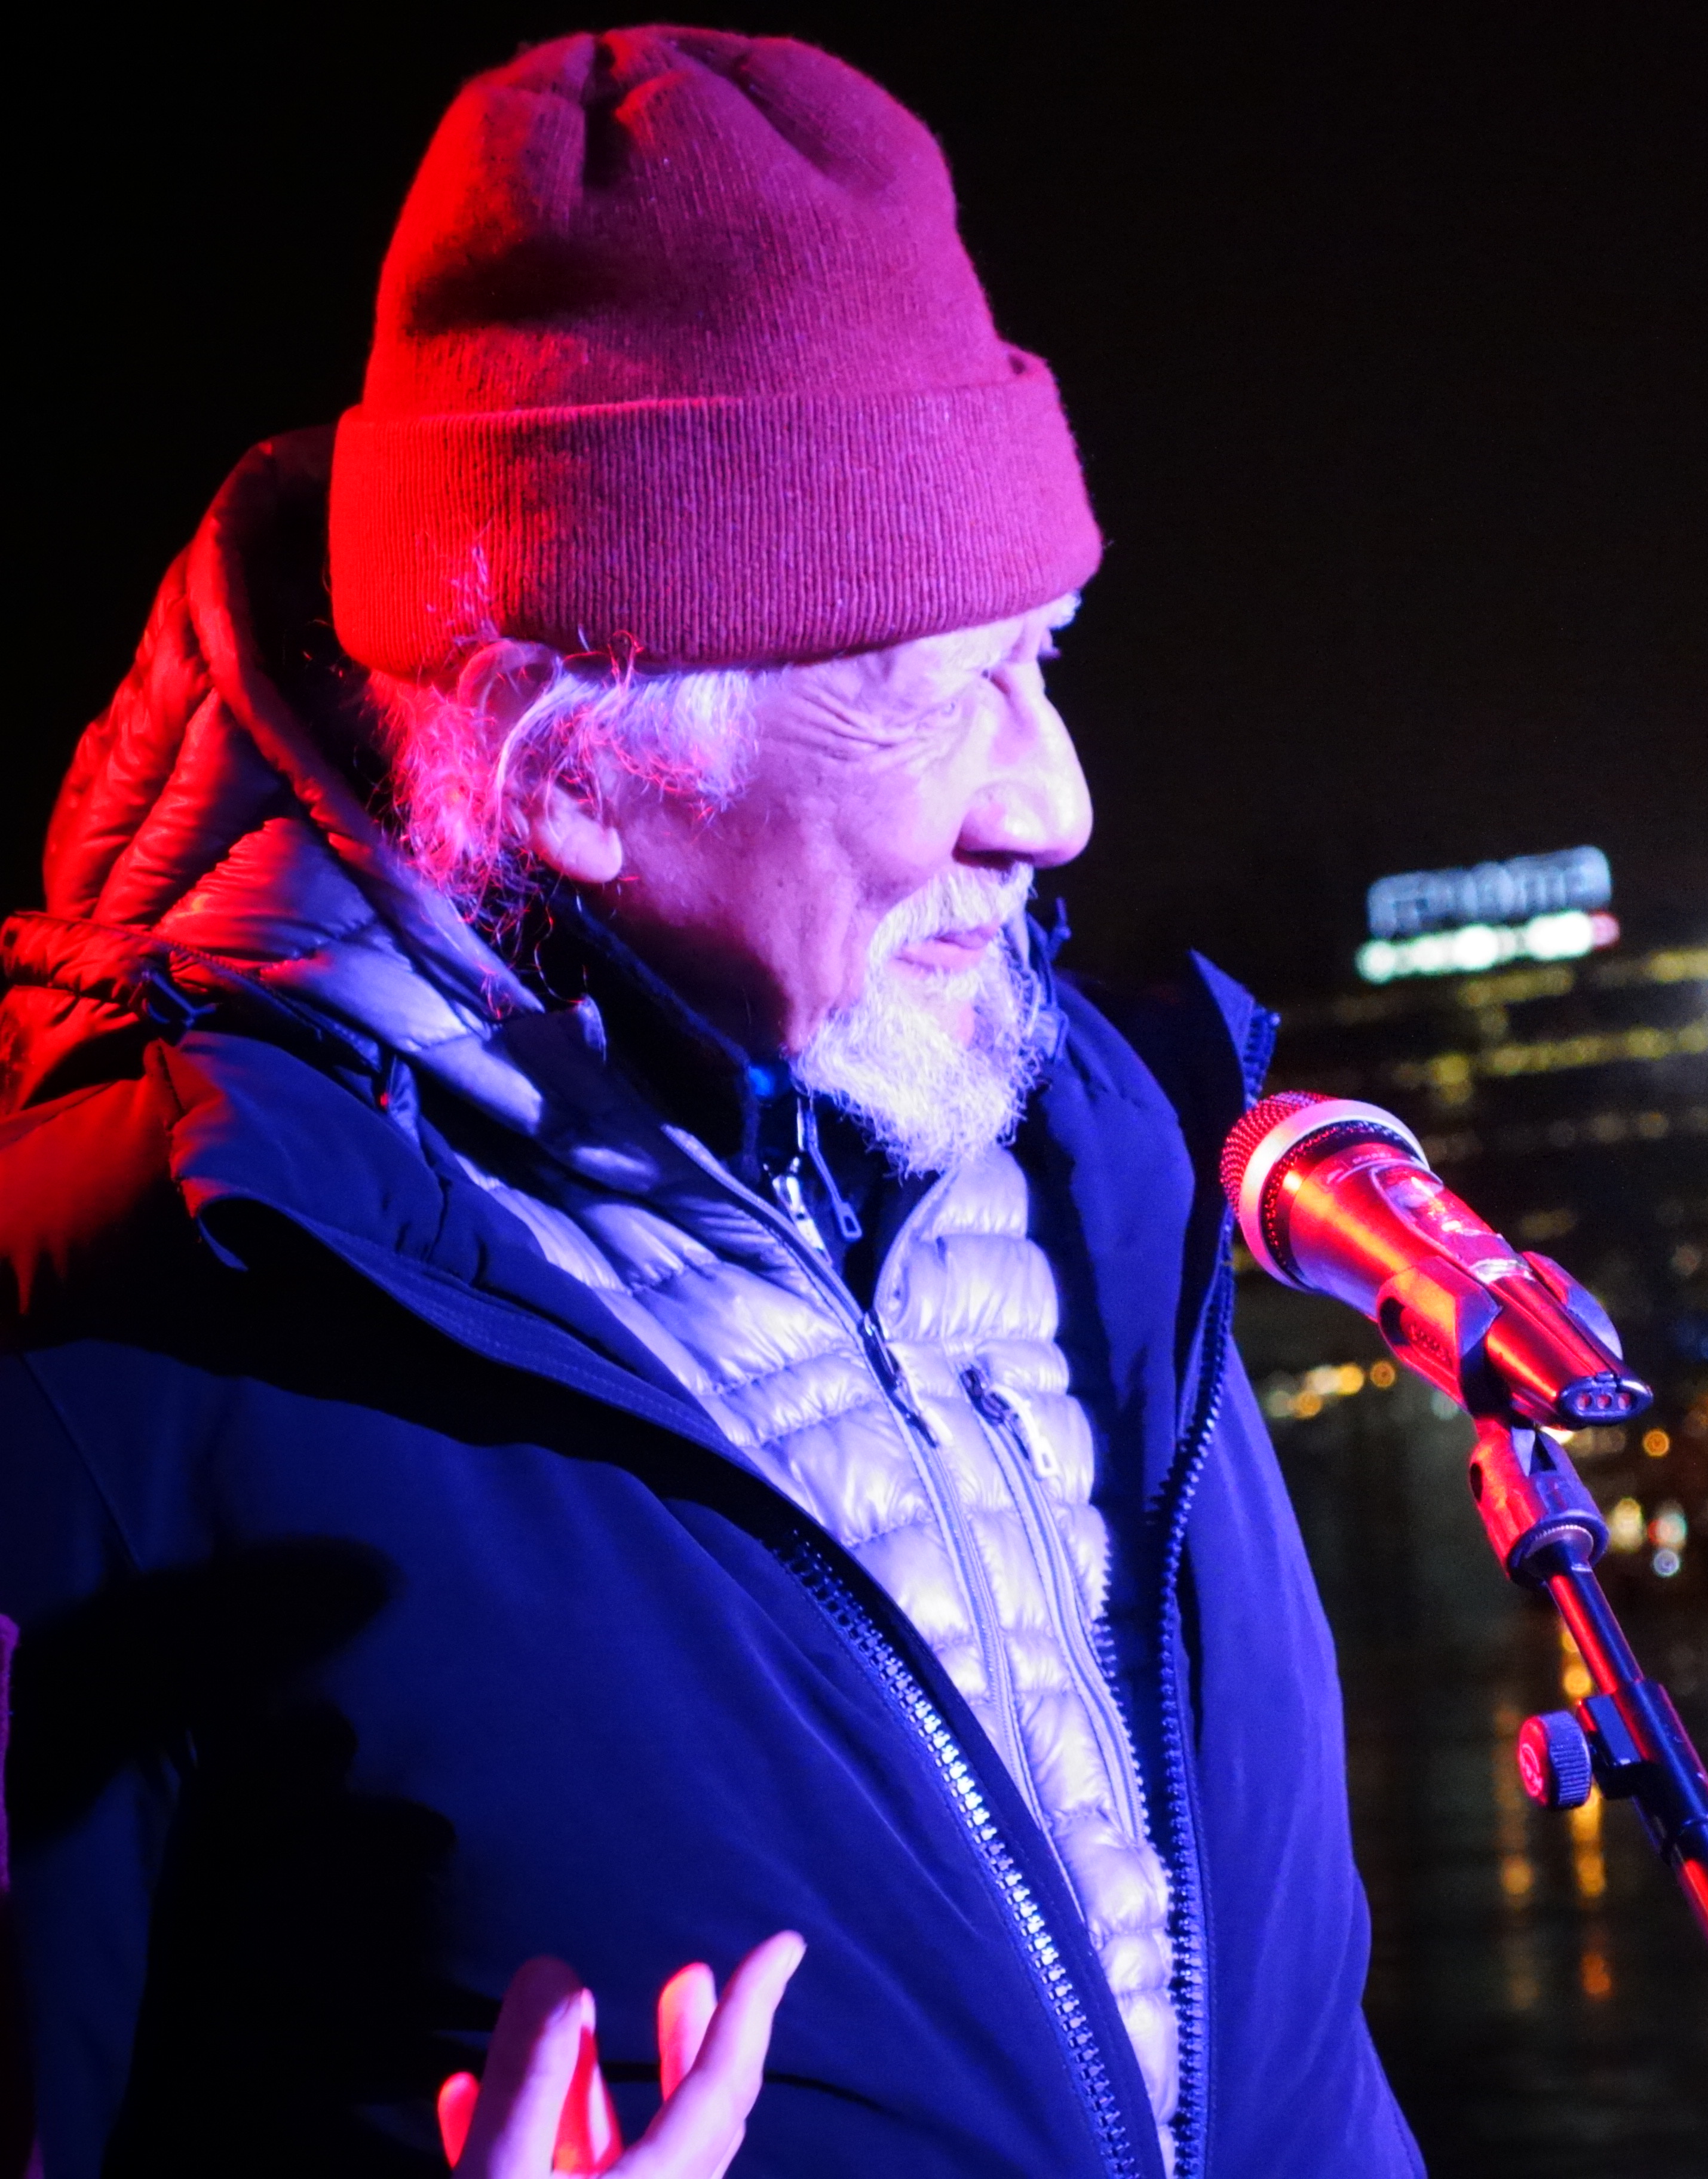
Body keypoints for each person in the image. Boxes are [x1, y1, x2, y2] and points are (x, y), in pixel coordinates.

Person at [1, 29, 1419, 2177]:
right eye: (941, 692)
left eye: (1044, 654)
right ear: (578, 772)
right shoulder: (124, 1351)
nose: (1058, 800)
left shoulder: (1122, 1183)